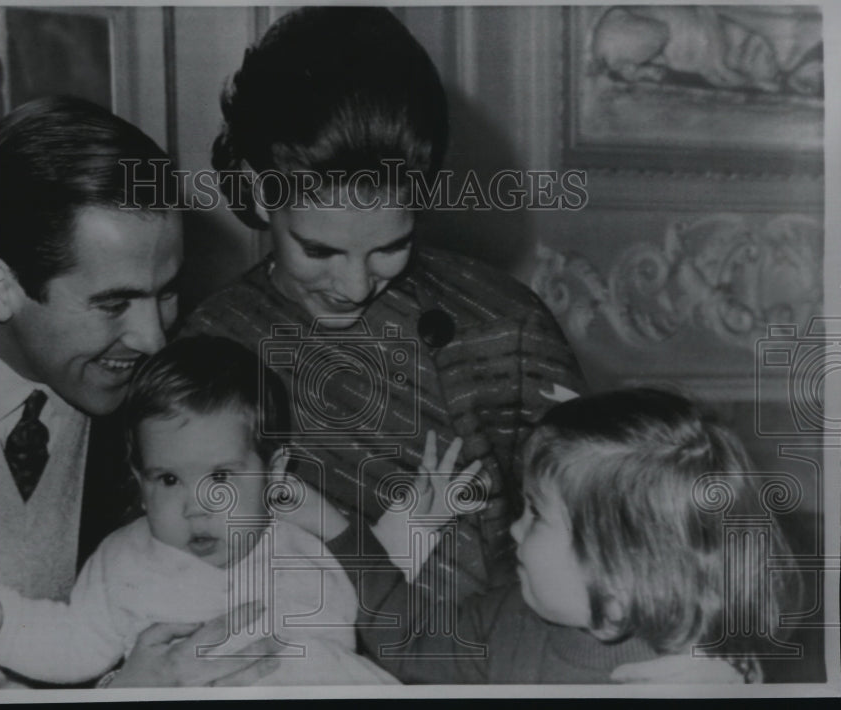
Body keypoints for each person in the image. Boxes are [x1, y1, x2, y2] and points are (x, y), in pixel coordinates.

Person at [180, 6, 586, 640]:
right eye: (319, 250)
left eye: (389, 247)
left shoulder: (508, 325)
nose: (354, 286)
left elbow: (603, 529)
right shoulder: (211, 346)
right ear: (261, 192)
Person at [0, 96, 252, 690]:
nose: (153, 339)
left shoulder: (172, 385)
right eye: (114, 304)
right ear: (0, 288)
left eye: (166, 291)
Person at [0, 336, 398, 686]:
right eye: (169, 479)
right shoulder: (126, 562)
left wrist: (418, 520)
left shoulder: (309, 538)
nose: (195, 508)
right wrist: (0, 622)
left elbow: (384, 579)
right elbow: (72, 641)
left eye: (221, 477)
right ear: (141, 485)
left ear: (274, 474)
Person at [317, 388, 792, 683]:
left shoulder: (691, 679)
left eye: (536, 513)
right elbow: (414, 640)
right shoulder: (512, 615)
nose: (515, 526)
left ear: (622, 563)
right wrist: (341, 535)